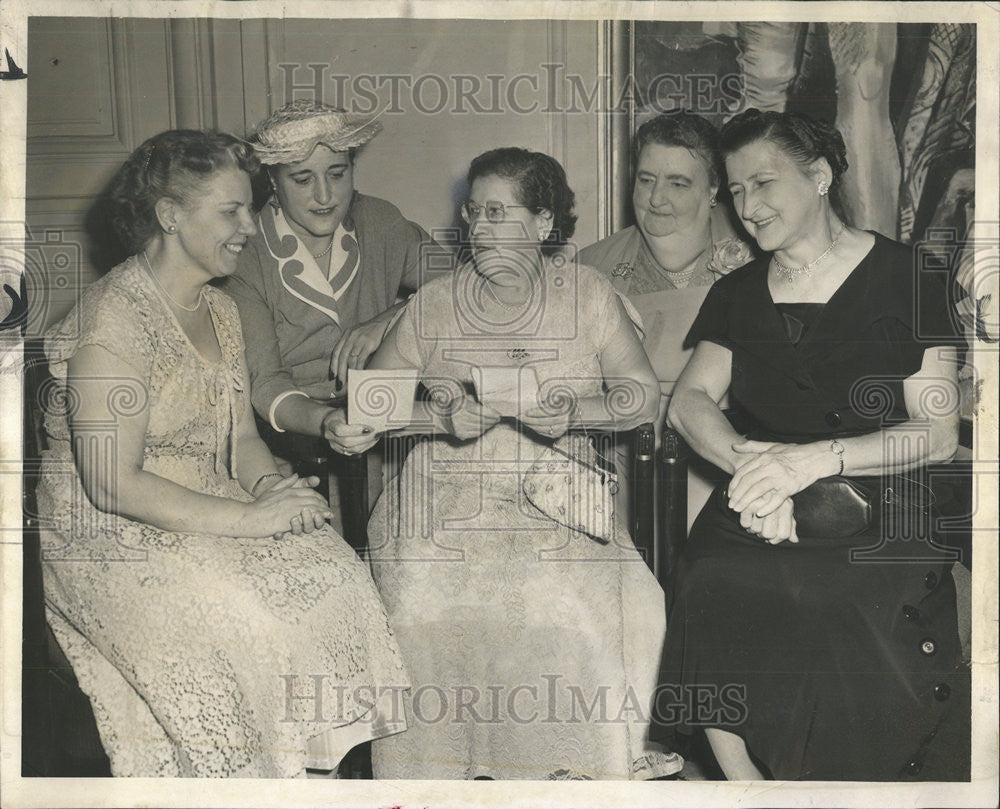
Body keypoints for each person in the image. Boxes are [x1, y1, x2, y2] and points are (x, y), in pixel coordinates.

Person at [35, 130, 409, 777]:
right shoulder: (112, 322)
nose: (249, 228)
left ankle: (310, 775)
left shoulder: (221, 309)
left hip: (209, 500)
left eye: (249, 210)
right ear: (170, 216)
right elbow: (111, 484)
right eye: (231, 212)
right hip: (111, 531)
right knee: (239, 616)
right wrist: (250, 519)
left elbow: (239, 437)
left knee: (338, 575)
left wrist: (274, 492)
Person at [652, 109, 969, 781]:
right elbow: (688, 401)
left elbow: (937, 432)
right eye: (735, 190)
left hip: (880, 491)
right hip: (763, 490)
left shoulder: (911, 275)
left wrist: (812, 462)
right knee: (710, 578)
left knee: (829, 598)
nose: (748, 206)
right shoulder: (737, 293)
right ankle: (749, 790)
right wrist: (755, 471)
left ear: (820, 176)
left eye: (763, 183)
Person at [363, 147, 683, 780]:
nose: (480, 228)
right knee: (425, 599)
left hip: (555, 488)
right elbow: (370, 404)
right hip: (443, 490)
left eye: (499, 213)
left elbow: (640, 397)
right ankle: (439, 780)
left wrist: (571, 412)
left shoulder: (587, 294)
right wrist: (441, 419)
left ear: (544, 224)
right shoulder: (434, 302)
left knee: (567, 601)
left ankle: (573, 775)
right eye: (474, 212)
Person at [220, 100, 450, 507]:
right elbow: (265, 383)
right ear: (273, 180)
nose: (324, 195)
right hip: (283, 434)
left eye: (337, 174)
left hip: (373, 424)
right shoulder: (246, 252)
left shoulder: (380, 221)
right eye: (302, 179)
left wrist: (393, 315)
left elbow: (462, 284)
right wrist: (326, 422)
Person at [579, 111, 754, 528]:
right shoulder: (591, 269)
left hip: (730, 464)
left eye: (678, 183)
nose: (656, 199)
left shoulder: (760, 255)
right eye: (645, 179)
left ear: (713, 189)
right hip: (625, 469)